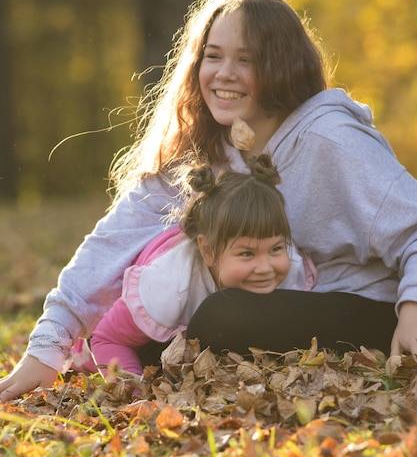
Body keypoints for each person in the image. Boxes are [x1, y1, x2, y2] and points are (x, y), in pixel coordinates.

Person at [1, 0, 417, 402]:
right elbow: (113, 242)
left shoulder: (332, 140)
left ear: (283, 65)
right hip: (269, 305)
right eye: (213, 56)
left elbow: (412, 226)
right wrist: (48, 344)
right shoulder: (206, 150)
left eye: (246, 60)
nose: (224, 73)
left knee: (220, 316)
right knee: (147, 319)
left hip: (371, 311)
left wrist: (413, 308)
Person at [73, 154, 316, 376]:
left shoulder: (291, 264)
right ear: (208, 251)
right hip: (112, 348)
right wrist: (132, 393)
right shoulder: (169, 281)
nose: (265, 267)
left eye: (275, 249)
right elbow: (107, 339)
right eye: (247, 254)